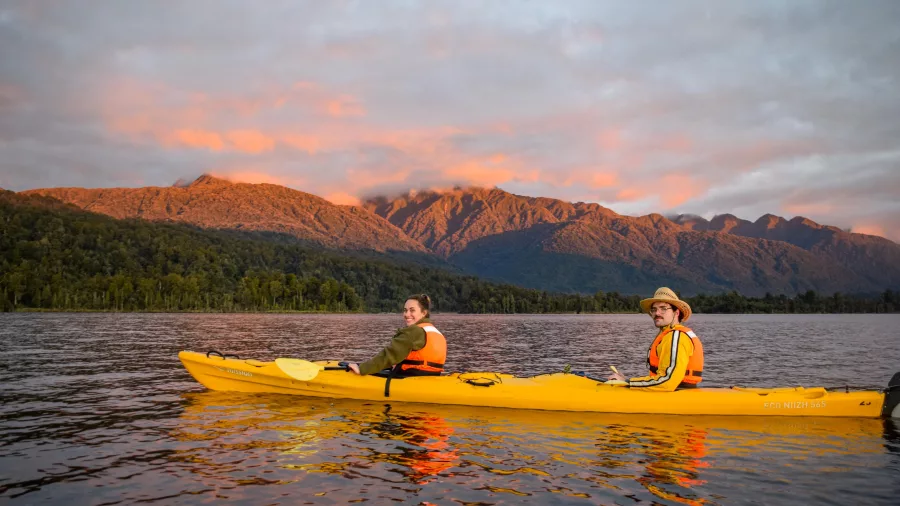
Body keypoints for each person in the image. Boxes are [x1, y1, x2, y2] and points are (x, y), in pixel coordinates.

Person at [607, 287, 704, 391]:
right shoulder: (669, 335)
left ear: (676, 313)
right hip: (675, 391)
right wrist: (626, 381)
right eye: (654, 309)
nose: (657, 313)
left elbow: (668, 382)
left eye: (663, 308)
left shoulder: (677, 337)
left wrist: (627, 383)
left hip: (676, 393)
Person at [347, 294, 446, 376]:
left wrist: (362, 369)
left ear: (424, 313)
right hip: (431, 376)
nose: (407, 314)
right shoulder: (435, 332)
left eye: (412, 310)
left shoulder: (414, 331)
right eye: (405, 310)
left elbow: (389, 355)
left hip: (411, 377)